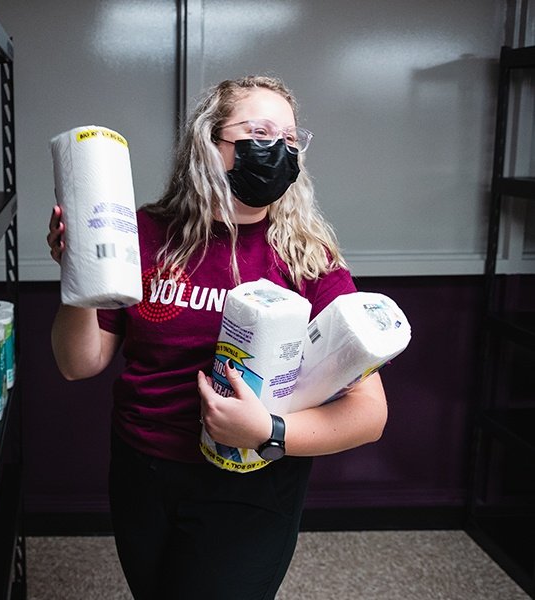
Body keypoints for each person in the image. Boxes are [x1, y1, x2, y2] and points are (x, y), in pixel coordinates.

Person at [46, 76, 388, 600]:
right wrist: (77, 272)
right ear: (209, 143)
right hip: (142, 467)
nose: (279, 150)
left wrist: (269, 430)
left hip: (252, 478)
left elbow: (369, 413)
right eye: (260, 134)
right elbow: (79, 363)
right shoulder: (143, 234)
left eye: (290, 139)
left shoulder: (308, 258)